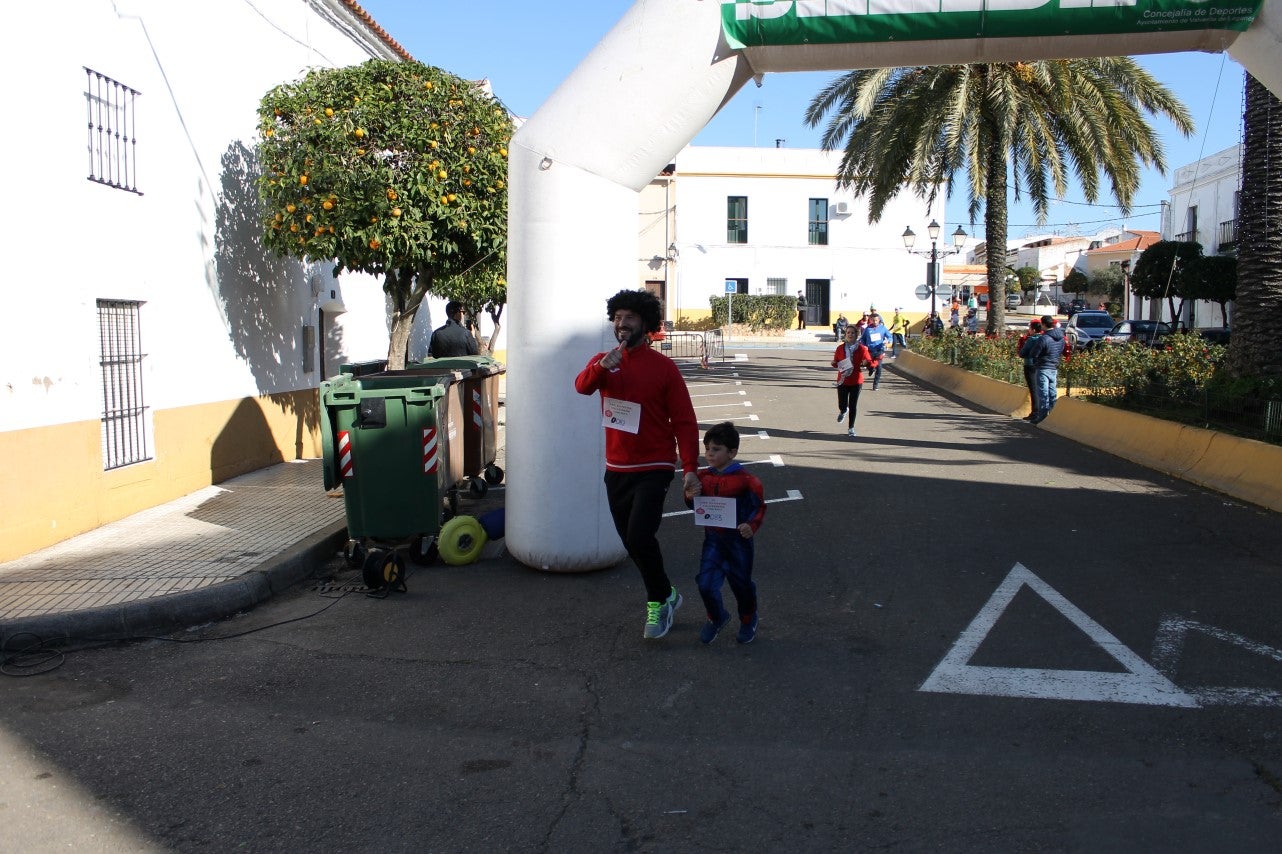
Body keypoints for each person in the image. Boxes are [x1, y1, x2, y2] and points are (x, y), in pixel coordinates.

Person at [574, 289, 701, 639]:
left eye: (629, 317)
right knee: (631, 543)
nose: (621, 323)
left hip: (655, 465)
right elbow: (581, 387)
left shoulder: (664, 368)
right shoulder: (604, 361)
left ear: (645, 323)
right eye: (617, 317)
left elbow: (685, 421)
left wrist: (690, 467)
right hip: (616, 468)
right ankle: (667, 594)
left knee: (640, 535)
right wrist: (602, 367)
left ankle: (657, 604)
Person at [682, 421, 766, 645]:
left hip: (739, 542)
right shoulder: (702, 477)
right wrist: (690, 496)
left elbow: (759, 507)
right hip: (714, 540)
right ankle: (717, 617)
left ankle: (748, 618)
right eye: (707, 448)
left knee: (741, 583)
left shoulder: (747, 481)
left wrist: (751, 525)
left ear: (732, 452)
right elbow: (695, 506)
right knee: (705, 583)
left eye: (716, 449)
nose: (709, 454)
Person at [1018, 313, 1067, 424]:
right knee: (1052, 392)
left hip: (1043, 366)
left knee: (1043, 393)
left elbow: (1034, 353)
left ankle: (1043, 416)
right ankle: (1053, 414)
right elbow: (1061, 350)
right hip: (1053, 366)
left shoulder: (1044, 338)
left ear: (1044, 324)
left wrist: (1035, 360)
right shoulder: (1061, 338)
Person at [831, 324, 878, 438]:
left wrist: (867, 363)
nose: (850, 335)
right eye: (848, 333)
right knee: (842, 404)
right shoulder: (840, 348)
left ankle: (851, 428)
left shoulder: (862, 348)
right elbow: (836, 361)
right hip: (843, 380)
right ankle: (843, 411)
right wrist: (834, 364)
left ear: (856, 335)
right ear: (845, 335)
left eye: (853, 333)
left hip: (856, 381)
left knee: (853, 405)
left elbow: (869, 361)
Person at [1017, 320, 1042, 420]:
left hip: (1030, 365)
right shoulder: (1044, 338)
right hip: (1041, 365)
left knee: (1033, 389)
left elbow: (1022, 353)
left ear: (1034, 330)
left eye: (1030, 328)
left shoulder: (1031, 339)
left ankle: (1035, 411)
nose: (1029, 330)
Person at [860, 311, 890, 390]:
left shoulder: (883, 328)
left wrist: (888, 341)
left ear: (879, 320)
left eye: (876, 320)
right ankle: (871, 369)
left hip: (879, 350)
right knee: (866, 364)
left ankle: (875, 385)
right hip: (869, 350)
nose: (875, 322)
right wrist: (864, 346)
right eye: (873, 320)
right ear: (871, 320)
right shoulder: (868, 328)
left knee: (879, 368)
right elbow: (862, 339)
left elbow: (890, 337)